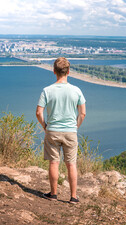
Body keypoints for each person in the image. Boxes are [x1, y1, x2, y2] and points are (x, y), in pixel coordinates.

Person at [36, 57, 86, 204]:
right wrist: (75, 126)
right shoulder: (76, 90)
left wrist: (45, 126)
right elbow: (82, 113)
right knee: (71, 164)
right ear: (68, 72)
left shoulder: (47, 90)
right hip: (71, 131)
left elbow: (39, 112)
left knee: (54, 163)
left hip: (52, 131)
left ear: (54, 72)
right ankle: (74, 197)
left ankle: (53, 194)